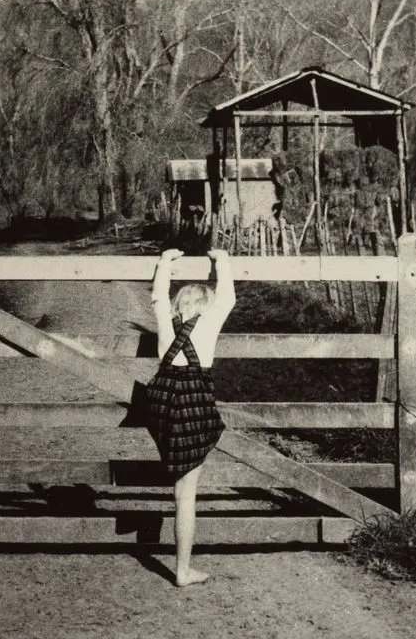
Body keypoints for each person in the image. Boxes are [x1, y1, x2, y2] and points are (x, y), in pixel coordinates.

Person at [143, 246, 236, 587]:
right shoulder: (211, 320)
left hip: (162, 398)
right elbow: (228, 297)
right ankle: (183, 570)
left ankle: (182, 566)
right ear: (205, 305)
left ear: (179, 304)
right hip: (193, 398)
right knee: (186, 492)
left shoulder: (167, 319)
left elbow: (156, 297)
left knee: (179, 479)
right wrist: (221, 261)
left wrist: (164, 262)